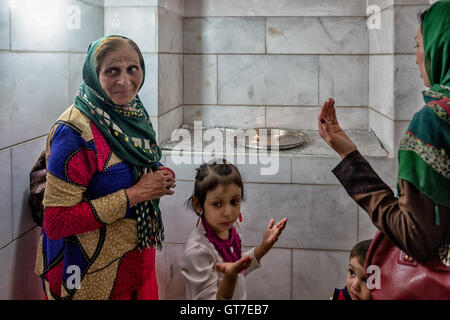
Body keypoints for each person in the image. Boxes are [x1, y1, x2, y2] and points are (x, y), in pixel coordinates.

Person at [318, 0, 449, 293]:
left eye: (419, 45)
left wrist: (349, 157)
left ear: (441, 46)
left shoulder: (435, 121)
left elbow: (415, 237)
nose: (416, 58)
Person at [34, 35, 176, 300]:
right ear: (93, 74)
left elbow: (138, 161)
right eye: (112, 71)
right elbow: (56, 222)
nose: (125, 80)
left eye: (132, 68)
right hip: (85, 276)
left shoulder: (131, 113)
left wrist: (159, 175)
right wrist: (136, 194)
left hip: (130, 262)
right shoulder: (74, 132)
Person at [180, 160, 288, 300]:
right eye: (217, 204)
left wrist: (263, 247)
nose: (228, 212)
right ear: (198, 205)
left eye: (234, 202)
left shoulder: (232, 228)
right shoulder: (197, 251)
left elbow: (238, 267)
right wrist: (230, 277)